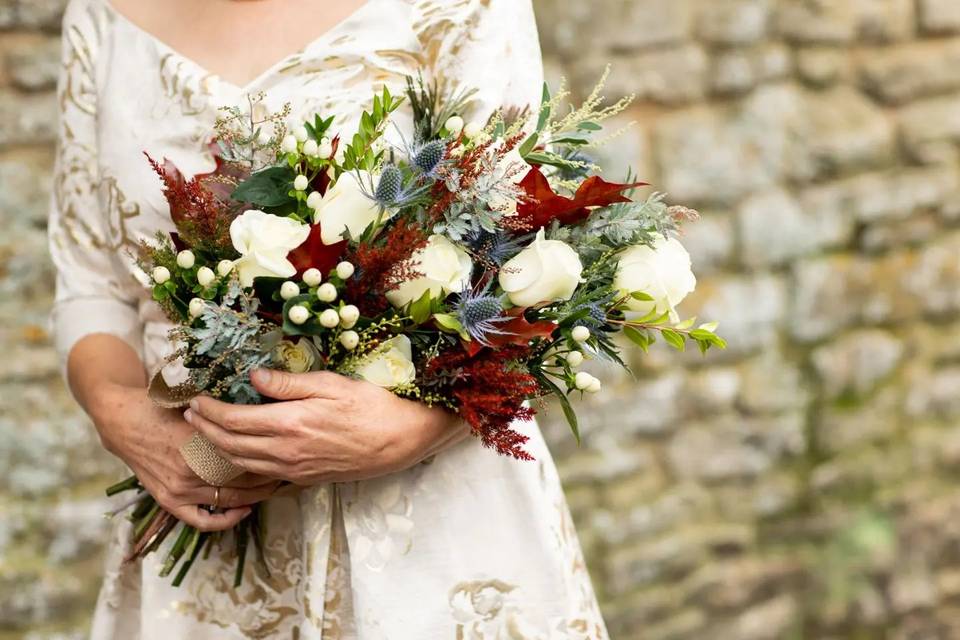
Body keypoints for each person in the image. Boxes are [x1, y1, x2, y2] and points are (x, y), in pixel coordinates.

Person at [49, 0, 609, 637]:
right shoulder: (99, 19)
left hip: (428, 532)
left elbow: (529, 262)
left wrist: (415, 430)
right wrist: (122, 417)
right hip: (205, 517)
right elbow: (90, 285)